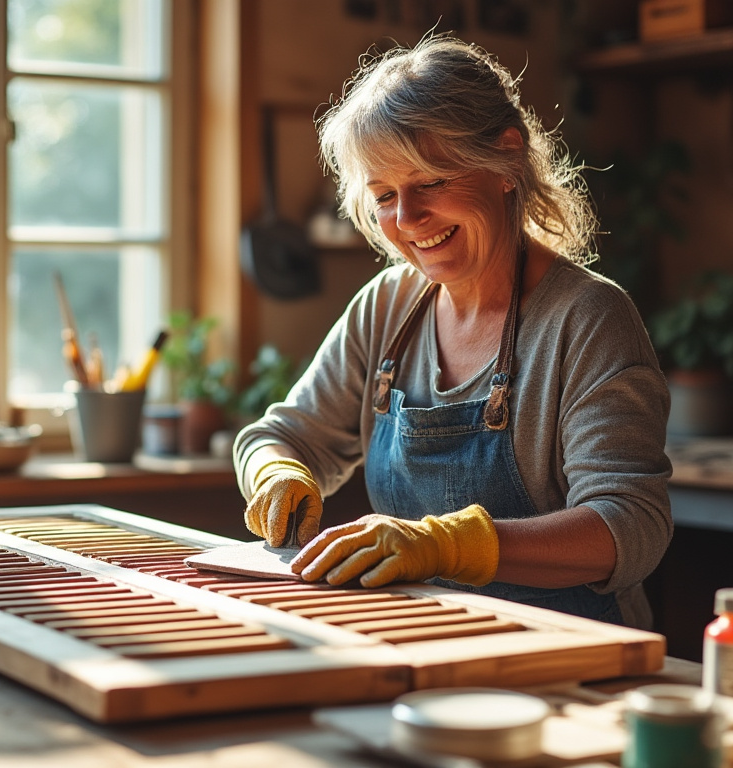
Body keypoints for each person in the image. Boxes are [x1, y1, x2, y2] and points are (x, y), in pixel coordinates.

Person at [232, 35, 671, 628]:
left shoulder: (588, 319)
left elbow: (629, 525)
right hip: (425, 644)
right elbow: (281, 435)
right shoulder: (386, 308)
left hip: (573, 655)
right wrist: (277, 472)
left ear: (507, 163)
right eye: (385, 196)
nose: (407, 220)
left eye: (431, 182)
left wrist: (447, 547)